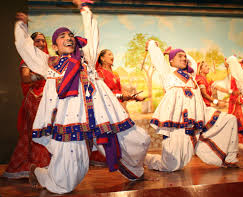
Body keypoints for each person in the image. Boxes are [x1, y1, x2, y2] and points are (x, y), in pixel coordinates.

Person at [14, 0, 150, 194]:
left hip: (104, 117)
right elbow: (26, 49)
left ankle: (135, 170)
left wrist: (85, 9)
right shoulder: (49, 63)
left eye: (70, 35)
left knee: (140, 141)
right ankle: (41, 173)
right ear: (55, 45)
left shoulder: (86, 58)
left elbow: (93, 34)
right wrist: (21, 26)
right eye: (62, 36)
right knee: (67, 180)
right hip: (72, 121)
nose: (68, 38)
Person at [144, 40, 238, 172]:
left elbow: (192, 62)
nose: (184, 58)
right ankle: (145, 158)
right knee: (170, 166)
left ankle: (230, 158)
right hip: (177, 122)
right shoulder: (167, 73)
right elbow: (158, 59)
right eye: (180, 56)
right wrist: (152, 45)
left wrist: (180, 53)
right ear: (171, 61)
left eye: (185, 56)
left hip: (198, 119)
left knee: (230, 120)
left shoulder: (191, 76)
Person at [2, 32, 50, 179]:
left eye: (43, 41)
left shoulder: (48, 60)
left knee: (49, 133)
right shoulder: (27, 59)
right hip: (35, 99)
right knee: (36, 133)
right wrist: (39, 75)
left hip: (49, 99)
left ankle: (46, 168)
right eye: (37, 41)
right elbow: (25, 77)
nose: (41, 43)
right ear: (31, 43)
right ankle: (35, 167)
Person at [227, 58, 243, 144]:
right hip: (233, 99)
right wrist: (232, 92)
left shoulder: (240, 74)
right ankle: (236, 141)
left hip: (239, 100)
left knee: (241, 119)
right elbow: (231, 88)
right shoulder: (232, 75)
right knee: (234, 120)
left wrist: (239, 93)